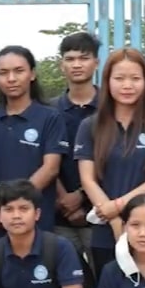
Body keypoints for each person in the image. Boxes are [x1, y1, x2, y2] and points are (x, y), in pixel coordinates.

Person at [73, 48, 145, 273]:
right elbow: (88, 179)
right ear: (107, 81)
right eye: (119, 78)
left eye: (135, 78)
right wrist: (113, 220)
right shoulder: (90, 126)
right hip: (106, 232)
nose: (127, 85)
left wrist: (120, 207)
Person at [0, 46, 66, 225]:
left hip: (37, 222)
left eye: (19, 71)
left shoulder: (50, 117)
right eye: (3, 73)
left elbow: (50, 168)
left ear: (32, 74)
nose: (11, 79)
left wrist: (12, 207)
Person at [51, 31, 102, 249]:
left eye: (84, 58)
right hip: (57, 216)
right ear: (62, 65)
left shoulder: (112, 108)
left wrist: (81, 196)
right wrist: (66, 201)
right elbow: (43, 159)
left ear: (96, 63)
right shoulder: (49, 110)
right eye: (70, 59)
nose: (77, 65)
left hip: (102, 214)